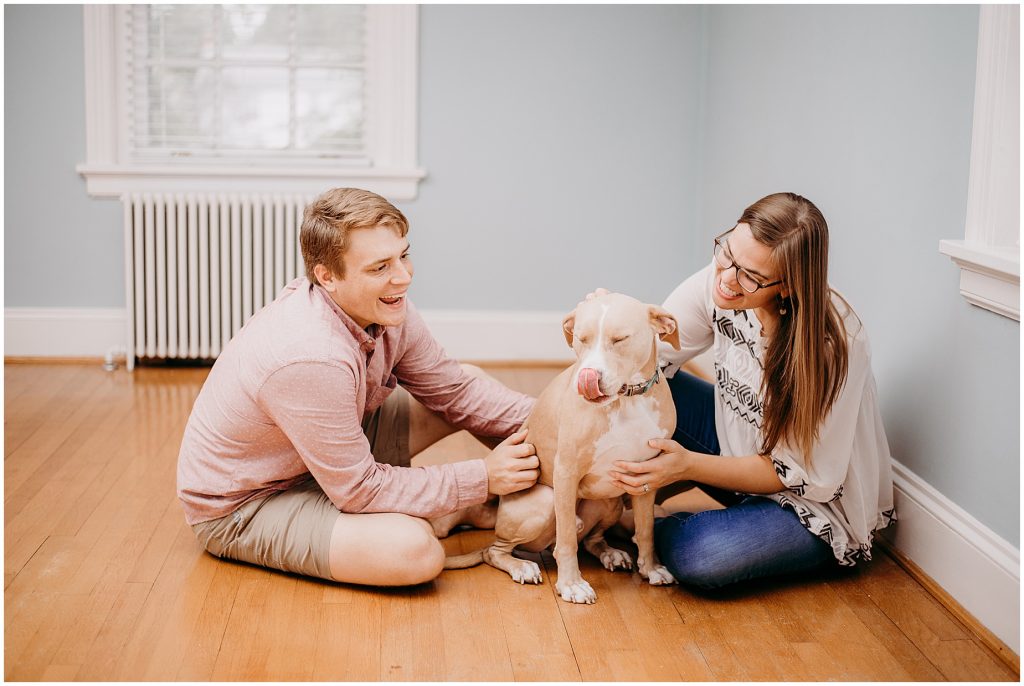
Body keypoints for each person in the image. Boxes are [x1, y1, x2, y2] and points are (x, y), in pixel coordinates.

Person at [177, 187, 540, 587]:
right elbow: (358, 489)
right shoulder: (310, 357)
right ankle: (450, 510)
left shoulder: (387, 305)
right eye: (380, 267)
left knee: (474, 380)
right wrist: (482, 478)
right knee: (413, 551)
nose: (402, 277)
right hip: (250, 502)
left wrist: (575, 421)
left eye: (403, 255)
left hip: (324, 455)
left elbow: (457, 393)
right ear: (327, 276)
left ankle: (521, 505)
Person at [609, 192, 895, 589]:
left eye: (751, 277)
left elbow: (791, 474)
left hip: (807, 506)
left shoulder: (833, 347)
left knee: (704, 556)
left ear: (789, 287)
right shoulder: (722, 278)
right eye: (727, 252)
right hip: (736, 452)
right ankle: (614, 509)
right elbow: (649, 363)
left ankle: (630, 525)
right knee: (650, 388)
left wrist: (686, 465)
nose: (726, 279)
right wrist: (610, 328)